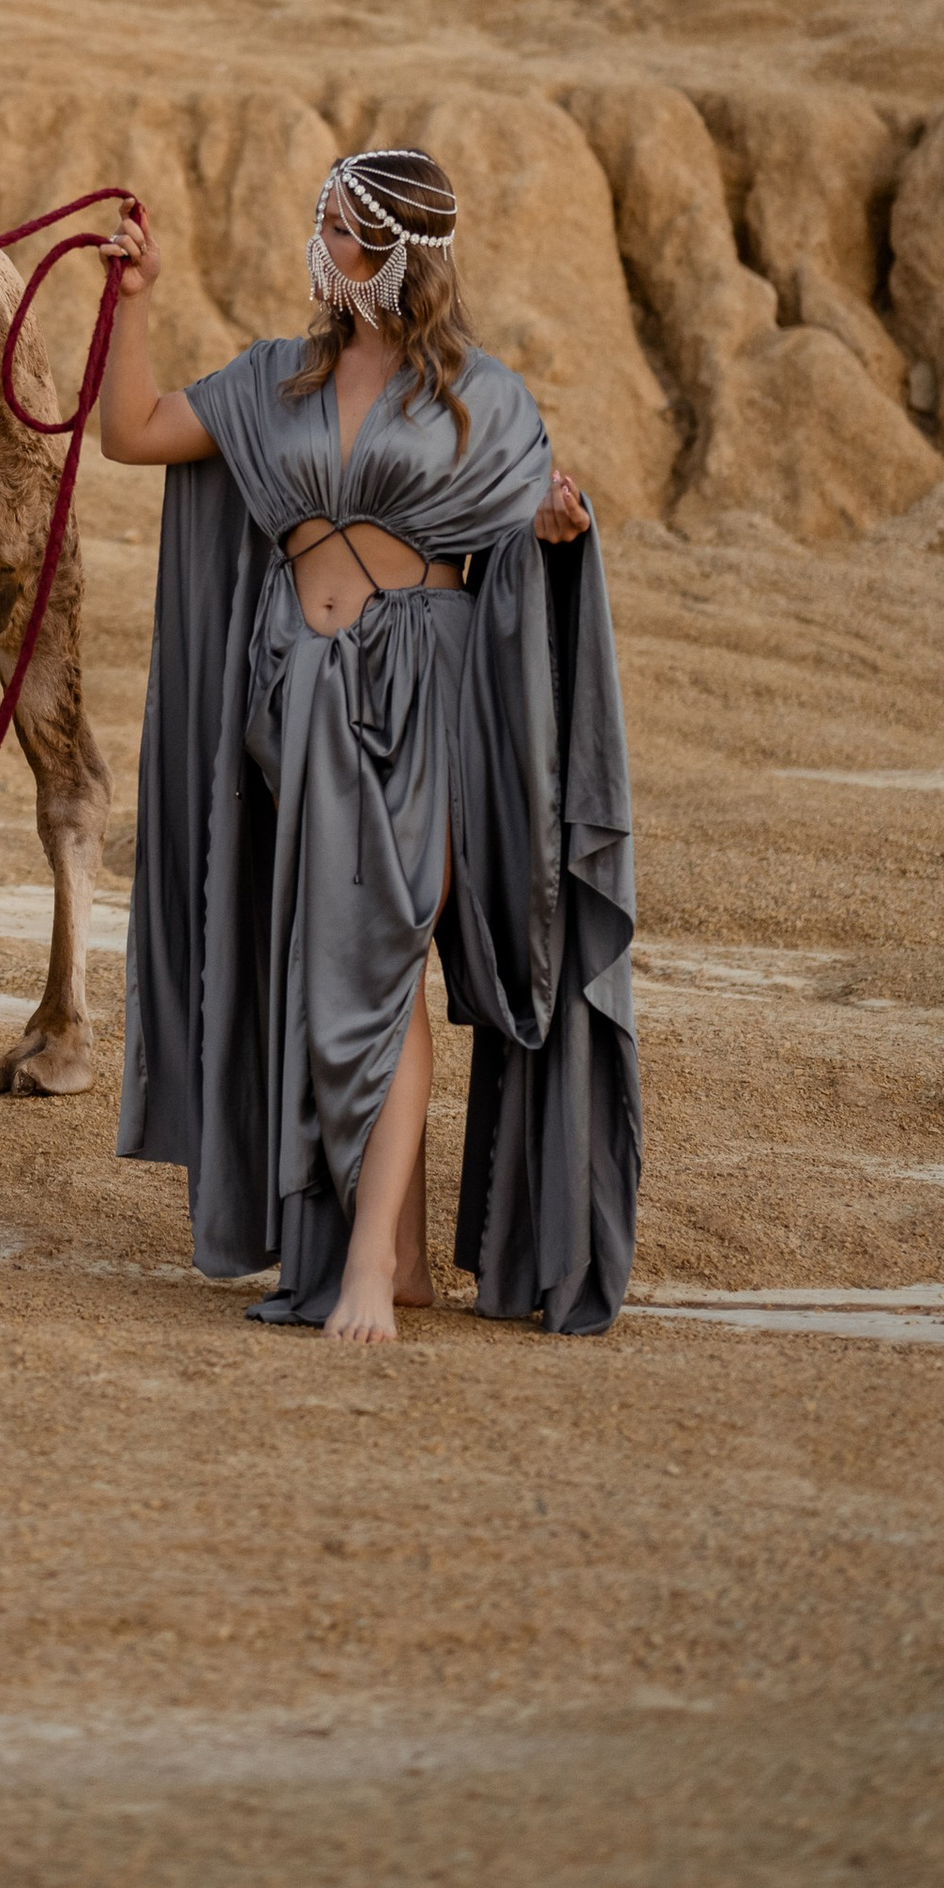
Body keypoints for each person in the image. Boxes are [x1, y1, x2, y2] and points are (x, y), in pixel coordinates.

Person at [98, 148, 639, 1342]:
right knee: (324, 972)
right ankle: (389, 1256)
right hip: (290, 702)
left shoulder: (479, 401)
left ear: (398, 254)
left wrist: (556, 526)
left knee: (380, 971)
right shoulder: (271, 385)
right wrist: (134, 303)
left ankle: (356, 1282)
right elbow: (131, 434)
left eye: (341, 229)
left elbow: (535, 524)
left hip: (424, 698)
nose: (320, 246)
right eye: (320, 222)